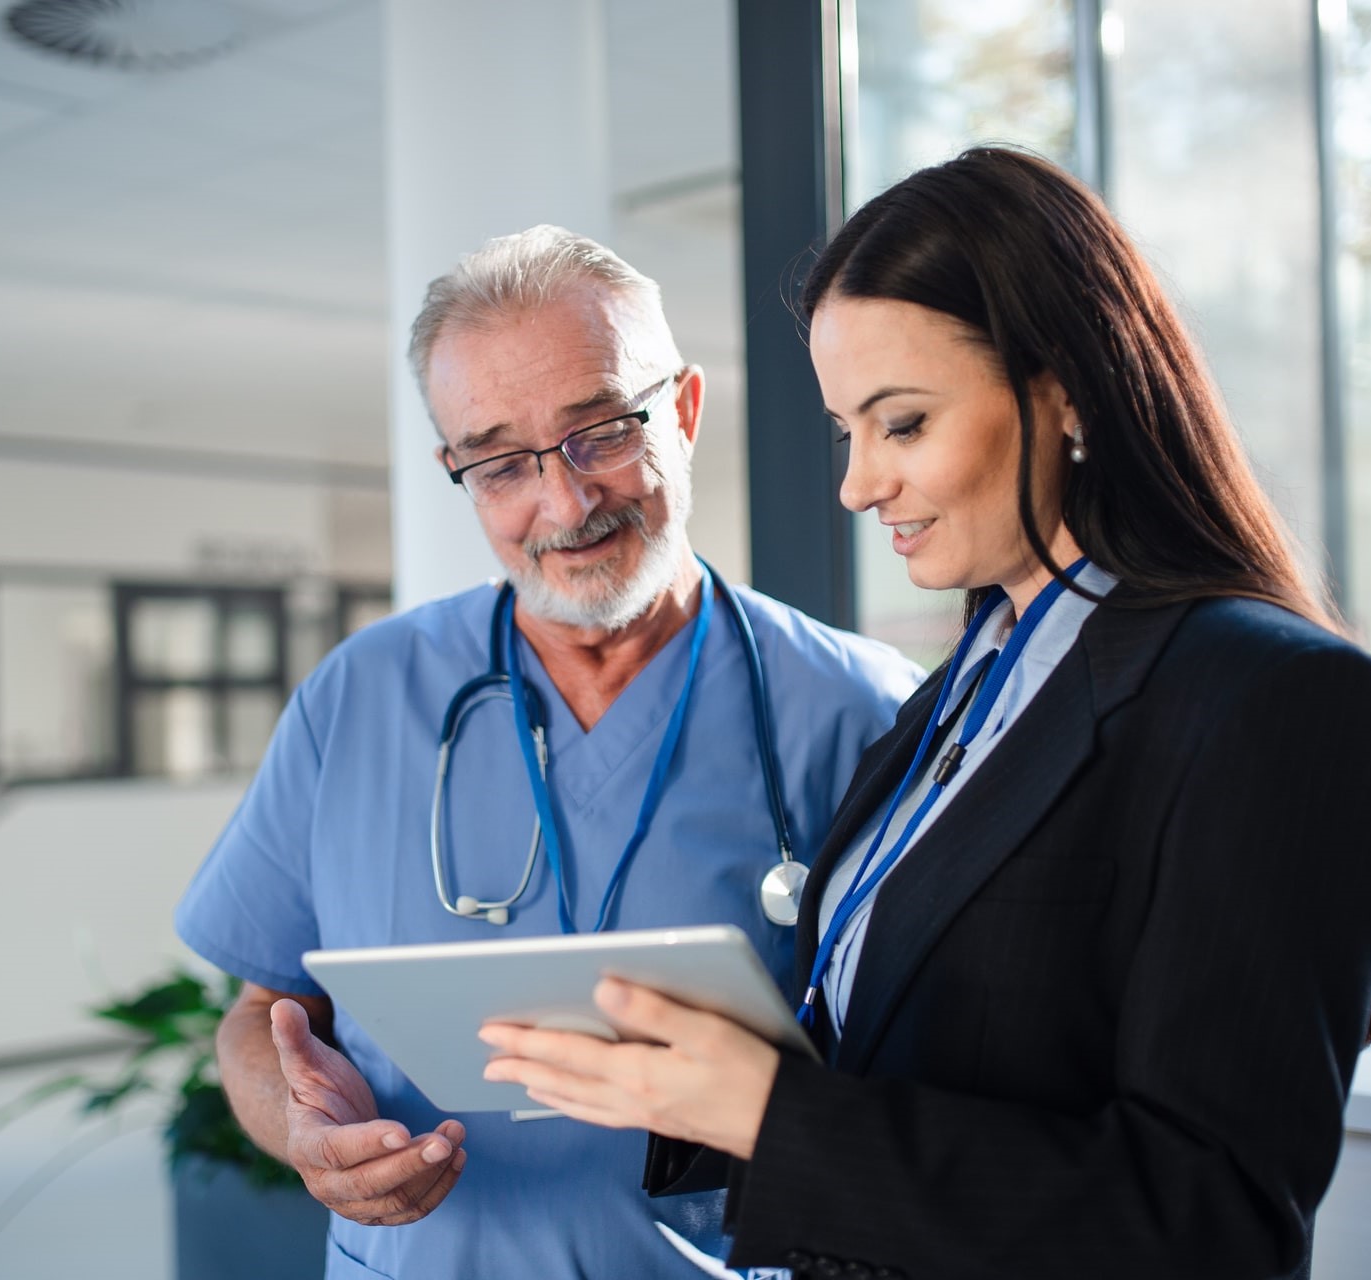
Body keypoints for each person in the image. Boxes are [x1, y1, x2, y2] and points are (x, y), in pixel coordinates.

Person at [479, 148, 1371, 1280]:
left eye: (904, 424)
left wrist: (772, 1114)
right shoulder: (965, 684)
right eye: (848, 431)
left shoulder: (1274, 701)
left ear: (1068, 387)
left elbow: (1211, 1222)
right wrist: (701, 1073)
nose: (857, 484)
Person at [174, 225, 922, 1279]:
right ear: (457, 471)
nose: (565, 503)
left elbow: (935, 1077)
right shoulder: (359, 697)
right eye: (501, 463)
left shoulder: (860, 710)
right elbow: (264, 1012)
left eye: (602, 431)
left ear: (686, 411)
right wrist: (300, 1127)